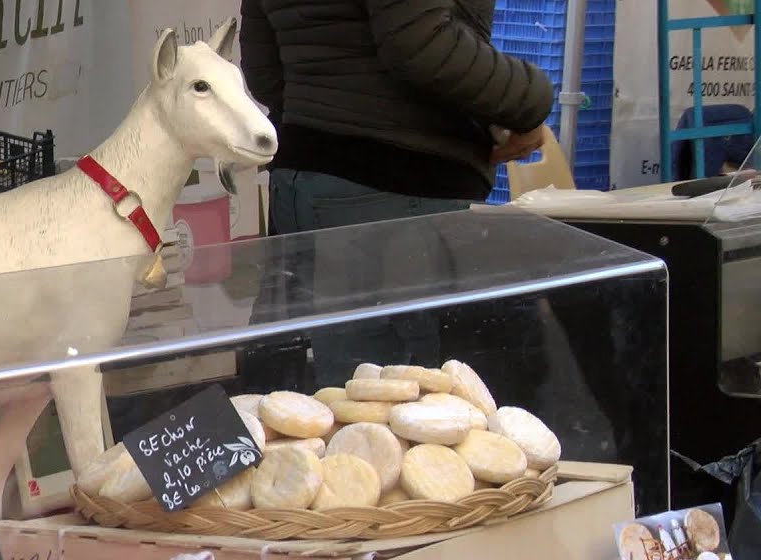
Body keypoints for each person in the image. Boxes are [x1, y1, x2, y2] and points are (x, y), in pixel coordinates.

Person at [238, 0, 557, 386]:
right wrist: (529, 101)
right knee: (391, 407)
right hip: (392, 188)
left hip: (303, 179)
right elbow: (419, 43)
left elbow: (264, 70)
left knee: (317, 404)